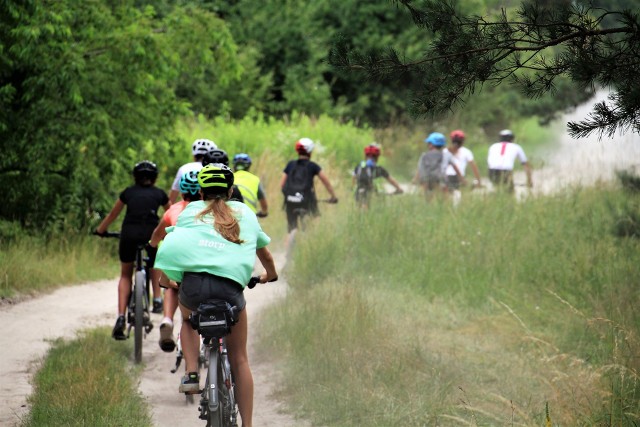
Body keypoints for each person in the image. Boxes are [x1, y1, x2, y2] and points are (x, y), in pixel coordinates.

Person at [154, 164, 278, 427]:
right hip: (229, 292)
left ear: (200, 191)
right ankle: (248, 425)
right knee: (239, 358)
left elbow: (175, 244)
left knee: (188, 321)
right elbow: (263, 253)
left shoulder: (189, 212)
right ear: (231, 190)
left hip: (194, 289)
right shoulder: (243, 212)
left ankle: (190, 373)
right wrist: (270, 275)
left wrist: (167, 279)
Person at [96, 160, 171, 340]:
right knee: (155, 262)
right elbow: (170, 215)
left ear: (135, 177)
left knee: (125, 274)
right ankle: (158, 299)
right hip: (151, 234)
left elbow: (113, 214)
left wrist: (101, 230)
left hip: (129, 234)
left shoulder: (128, 193)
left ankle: (121, 317)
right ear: (154, 178)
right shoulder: (160, 194)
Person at [148, 170, 202, 352]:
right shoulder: (207, 209)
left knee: (172, 285)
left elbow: (156, 236)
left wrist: (152, 245)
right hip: (203, 258)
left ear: (181, 191)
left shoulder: (174, 209)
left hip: (177, 258)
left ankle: (167, 319)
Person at [280, 137, 338, 236]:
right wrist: (333, 196)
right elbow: (326, 182)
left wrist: (289, 196)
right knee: (315, 220)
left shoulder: (290, 165)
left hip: (290, 201)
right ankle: (310, 240)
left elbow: (282, 185)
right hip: (307, 201)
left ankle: (287, 249)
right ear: (310, 152)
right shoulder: (313, 166)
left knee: (290, 229)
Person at [413, 132, 465, 200]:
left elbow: (420, 169)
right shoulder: (447, 155)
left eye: (428, 143)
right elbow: (456, 168)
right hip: (440, 180)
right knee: (443, 198)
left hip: (426, 180)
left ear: (431, 144)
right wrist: (462, 180)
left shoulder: (424, 155)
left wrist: (415, 180)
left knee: (426, 199)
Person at [352, 143, 403, 208]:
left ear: (365, 156)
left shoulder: (359, 166)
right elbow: (391, 180)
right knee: (367, 206)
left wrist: (353, 188)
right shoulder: (378, 169)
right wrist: (398, 188)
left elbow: (353, 178)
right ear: (377, 158)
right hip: (368, 191)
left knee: (358, 207)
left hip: (358, 191)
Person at [168, 138, 216, 203]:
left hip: (186, 206)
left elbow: (173, 196)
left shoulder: (183, 168)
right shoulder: (213, 169)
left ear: (194, 156)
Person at [444, 130, 483, 204]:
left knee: (448, 196)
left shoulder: (445, 151)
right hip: (459, 177)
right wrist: (479, 181)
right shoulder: (466, 152)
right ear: (463, 141)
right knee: (461, 193)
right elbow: (474, 167)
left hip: (446, 176)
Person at [232, 153, 269, 217]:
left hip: (231, 215)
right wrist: (264, 212)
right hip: (250, 215)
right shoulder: (255, 180)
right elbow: (264, 203)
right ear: (249, 166)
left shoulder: (230, 178)